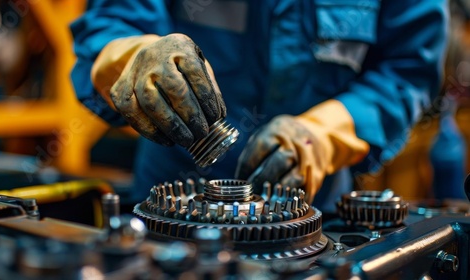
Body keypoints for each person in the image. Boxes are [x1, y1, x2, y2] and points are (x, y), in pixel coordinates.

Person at [70, 0, 448, 210]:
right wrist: (133, 56)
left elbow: (407, 68)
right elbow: (112, 19)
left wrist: (323, 134)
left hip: (309, 211)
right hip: (170, 206)